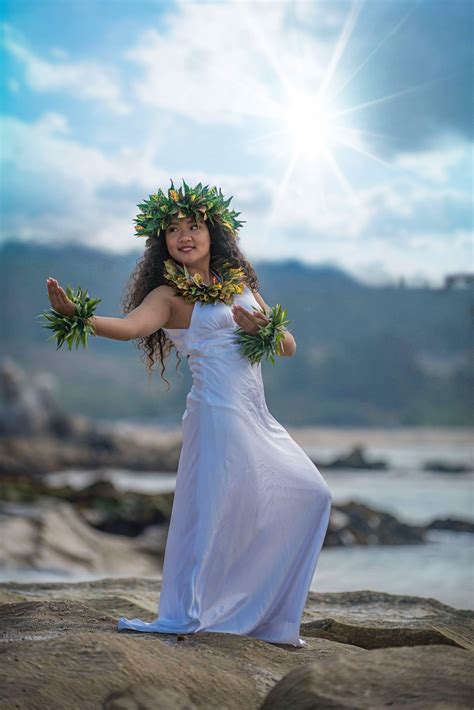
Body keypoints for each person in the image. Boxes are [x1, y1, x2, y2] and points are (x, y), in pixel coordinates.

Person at [45, 180, 332, 648]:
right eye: (173, 229)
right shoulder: (168, 296)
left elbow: (289, 346)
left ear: (212, 232)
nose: (184, 235)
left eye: (194, 226)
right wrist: (79, 315)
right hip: (217, 414)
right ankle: (195, 612)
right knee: (212, 514)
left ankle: (263, 612)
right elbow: (130, 326)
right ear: (162, 242)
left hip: (257, 415)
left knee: (311, 494)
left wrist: (265, 329)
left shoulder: (242, 285)